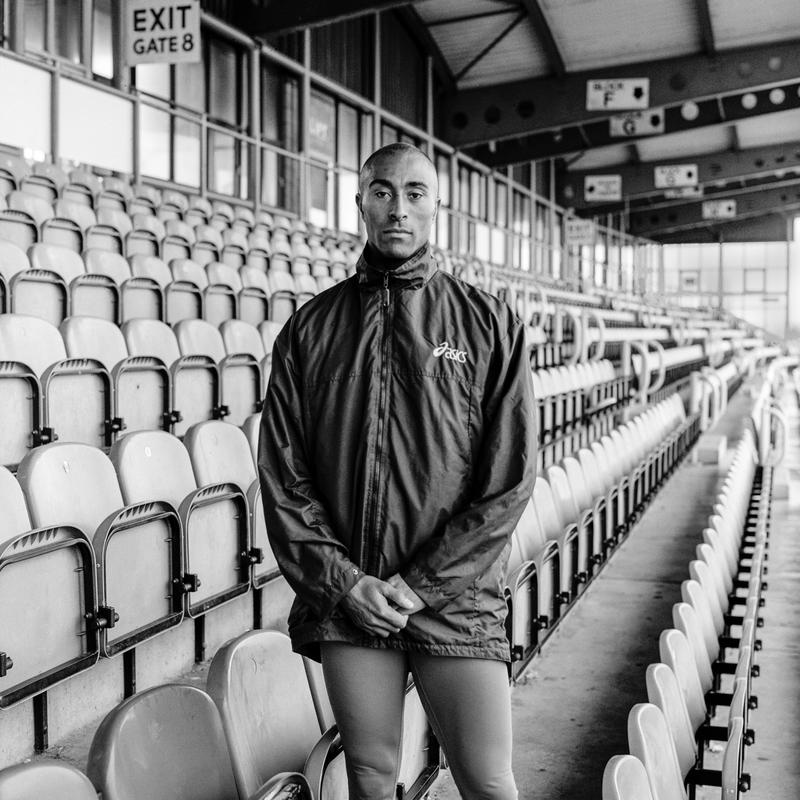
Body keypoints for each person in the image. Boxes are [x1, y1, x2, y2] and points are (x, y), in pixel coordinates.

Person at [258, 142, 536, 800]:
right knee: (373, 780)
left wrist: (418, 586)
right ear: (361, 204)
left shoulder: (489, 325)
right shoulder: (309, 330)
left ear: (437, 206)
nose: (399, 207)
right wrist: (346, 584)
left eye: (415, 193)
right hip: (351, 601)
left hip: (456, 598)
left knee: (489, 782)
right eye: (383, 191)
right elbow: (284, 480)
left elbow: (508, 481)